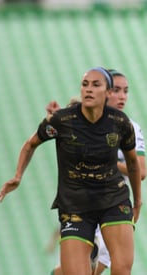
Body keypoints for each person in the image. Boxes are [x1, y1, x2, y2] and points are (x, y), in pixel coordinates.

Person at [0, 67, 142, 275]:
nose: (89, 90)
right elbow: (31, 144)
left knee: (121, 269)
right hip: (75, 206)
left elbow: (135, 165)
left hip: (113, 200)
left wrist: (137, 201)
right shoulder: (61, 120)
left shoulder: (120, 122)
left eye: (96, 85)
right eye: (85, 85)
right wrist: (17, 176)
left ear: (107, 92)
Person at [46, 69, 146, 275]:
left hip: (113, 207)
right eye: (117, 90)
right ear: (106, 92)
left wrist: (105, 160)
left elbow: (141, 170)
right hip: (82, 207)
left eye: (126, 91)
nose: (122, 96)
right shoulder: (76, 122)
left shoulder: (129, 127)